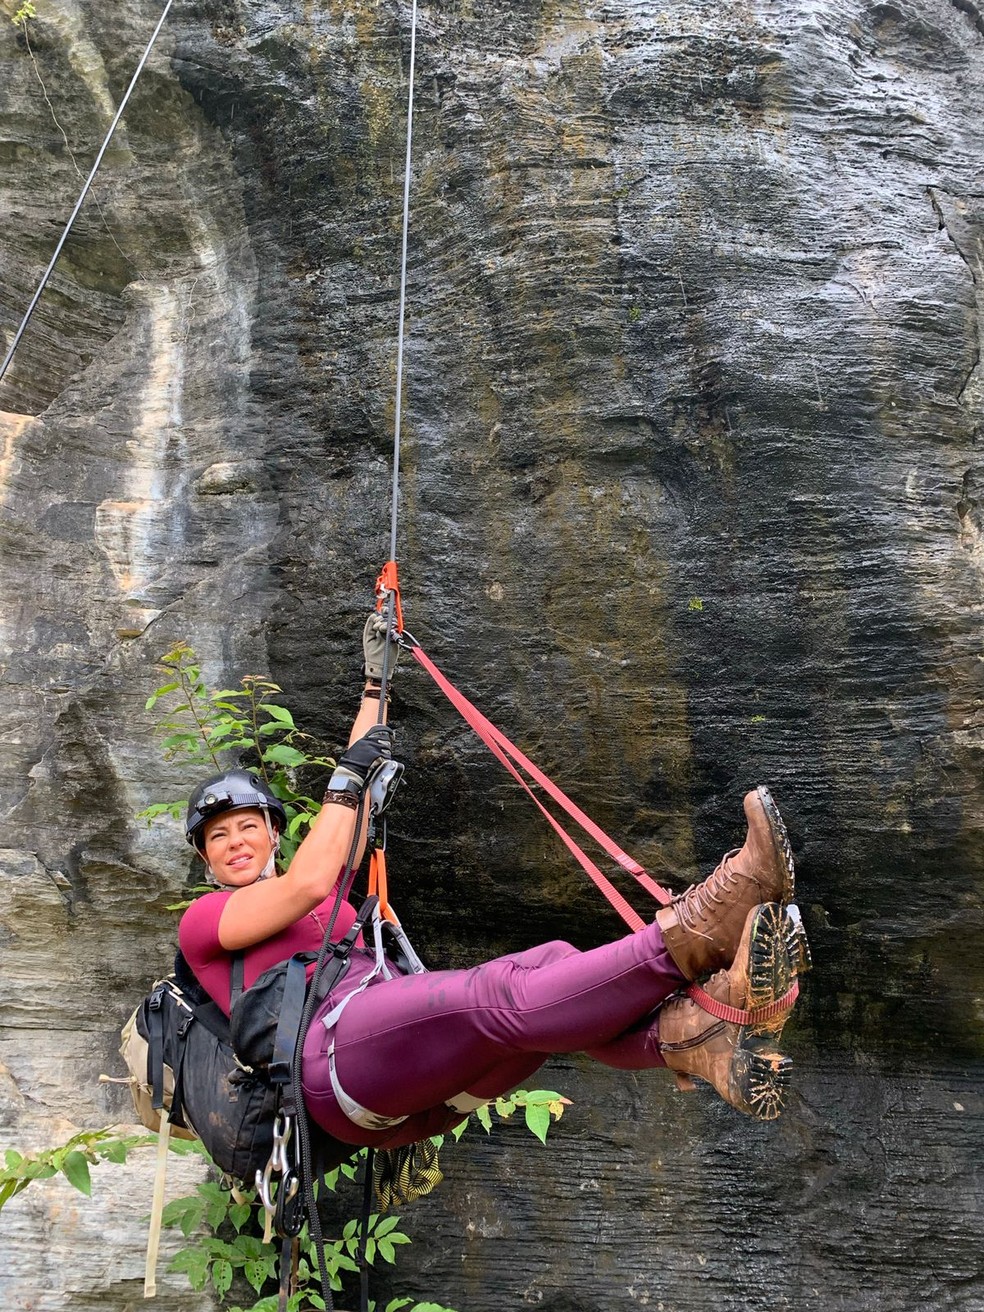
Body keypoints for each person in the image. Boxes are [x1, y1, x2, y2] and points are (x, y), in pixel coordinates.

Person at [178, 617, 808, 1155]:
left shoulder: (318, 897)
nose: (235, 842)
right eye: (218, 837)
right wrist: (345, 777)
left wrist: (376, 685)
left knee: (554, 967)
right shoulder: (206, 922)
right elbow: (314, 874)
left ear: (272, 834)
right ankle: (708, 923)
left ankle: (699, 1041)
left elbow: (354, 804)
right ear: (206, 860)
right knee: (499, 997)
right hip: (333, 1060)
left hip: (411, 1091)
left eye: (247, 827)